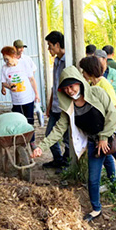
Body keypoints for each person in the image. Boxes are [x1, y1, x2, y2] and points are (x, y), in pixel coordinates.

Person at [32, 66, 116, 224]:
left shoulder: (97, 93)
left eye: (72, 86)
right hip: (94, 142)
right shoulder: (69, 107)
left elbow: (112, 113)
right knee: (93, 179)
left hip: (113, 136)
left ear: (80, 83)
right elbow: (59, 129)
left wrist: (104, 136)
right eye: (66, 88)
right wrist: (42, 146)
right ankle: (96, 209)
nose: (70, 90)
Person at [79, 55, 116, 183]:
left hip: (107, 128)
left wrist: (107, 133)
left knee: (108, 155)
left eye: (83, 70)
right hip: (99, 129)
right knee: (106, 156)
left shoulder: (104, 84)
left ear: (89, 71)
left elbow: (115, 108)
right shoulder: (91, 84)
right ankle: (112, 180)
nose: (82, 73)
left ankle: (113, 181)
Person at [0, 46, 40, 149]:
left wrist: (36, 94)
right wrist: (9, 86)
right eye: (4, 59)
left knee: (29, 121)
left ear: (13, 56)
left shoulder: (24, 64)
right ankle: (22, 143)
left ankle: (32, 141)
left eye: (7, 59)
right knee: (19, 122)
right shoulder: (4, 68)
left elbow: (31, 79)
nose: (6, 61)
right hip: (16, 101)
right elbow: (4, 82)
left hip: (28, 99)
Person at [44, 31, 70, 171]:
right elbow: (55, 85)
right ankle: (58, 160)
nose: (49, 49)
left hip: (65, 108)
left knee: (67, 138)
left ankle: (67, 164)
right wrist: (49, 105)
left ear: (57, 45)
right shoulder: (56, 61)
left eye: (50, 46)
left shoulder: (68, 61)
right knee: (49, 134)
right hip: (55, 106)